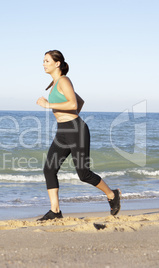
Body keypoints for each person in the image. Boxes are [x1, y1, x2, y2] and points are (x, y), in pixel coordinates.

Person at [36, 50, 121, 221]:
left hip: (75, 129)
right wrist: (66, 116)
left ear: (57, 63)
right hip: (63, 131)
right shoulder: (55, 83)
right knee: (49, 169)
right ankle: (55, 211)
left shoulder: (64, 80)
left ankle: (112, 195)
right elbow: (79, 102)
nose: (43, 64)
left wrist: (48, 105)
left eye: (46, 61)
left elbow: (74, 103)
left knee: (84, 174)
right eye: (43, 61)